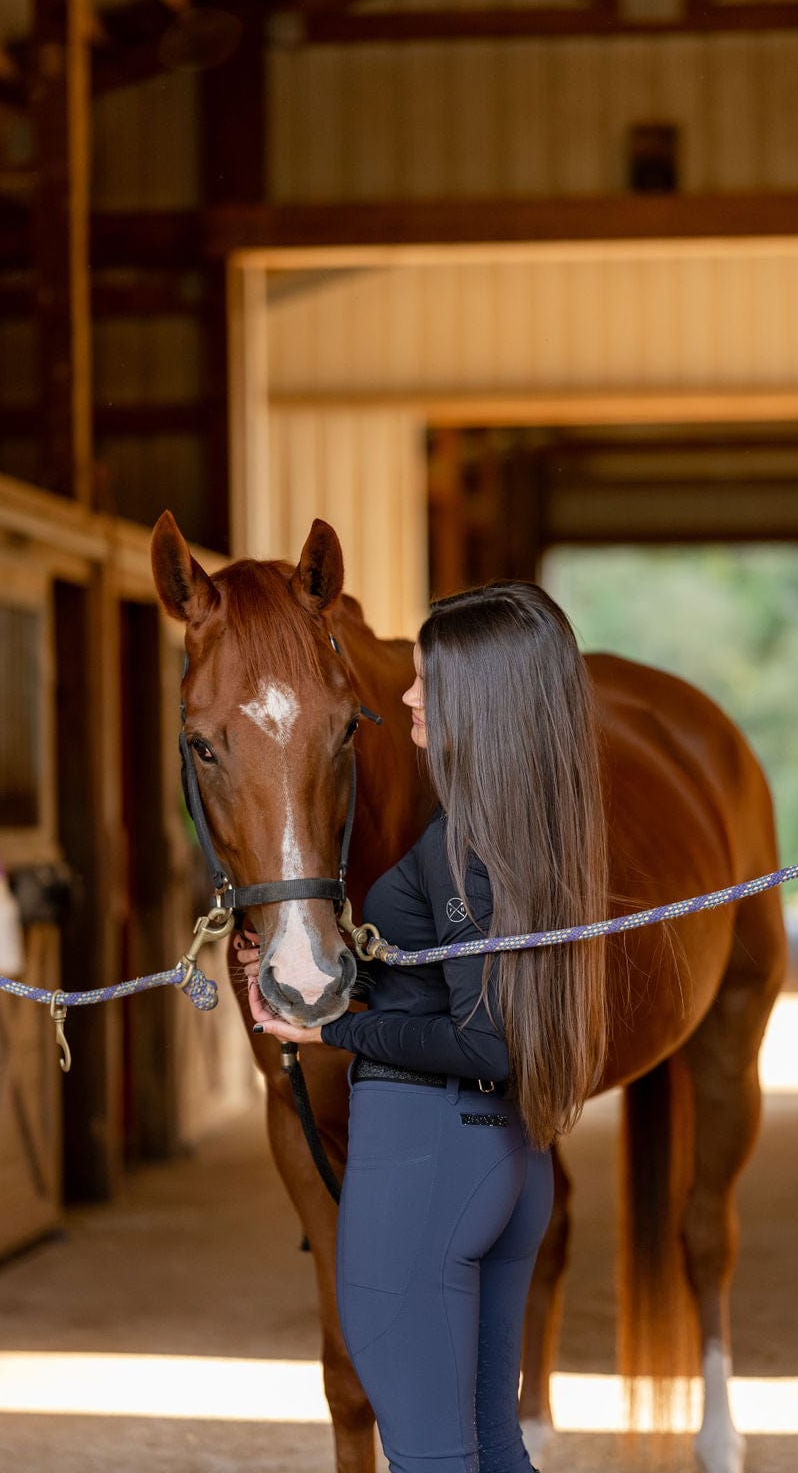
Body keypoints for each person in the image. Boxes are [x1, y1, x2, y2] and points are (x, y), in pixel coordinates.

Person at [243, 581, 608, 1473]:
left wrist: (335, 1034)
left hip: (430, 1171)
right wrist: (338, 974)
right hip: (499, 1163)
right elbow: (457, 977)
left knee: (434, 1458)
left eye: (428, 682)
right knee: (490, 1448)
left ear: (482, 703)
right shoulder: (520, 831)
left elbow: (483, 1042)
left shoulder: (461, 854)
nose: (404, 697)